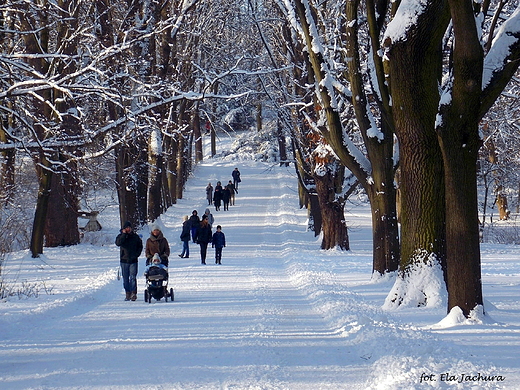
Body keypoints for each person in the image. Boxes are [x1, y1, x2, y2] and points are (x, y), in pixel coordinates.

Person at [115, 221, 143, 301]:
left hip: (133, 260)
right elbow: (118, 243)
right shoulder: (121, 236)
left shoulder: (135, 237)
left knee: (133, 277)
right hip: (124, 260)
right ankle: (128, 292)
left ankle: (134, 293)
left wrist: (137, 254)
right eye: (126, 228)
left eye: (129, 227)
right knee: (125, 278)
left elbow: (140, 246)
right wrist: (124, 235)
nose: (128, 229)